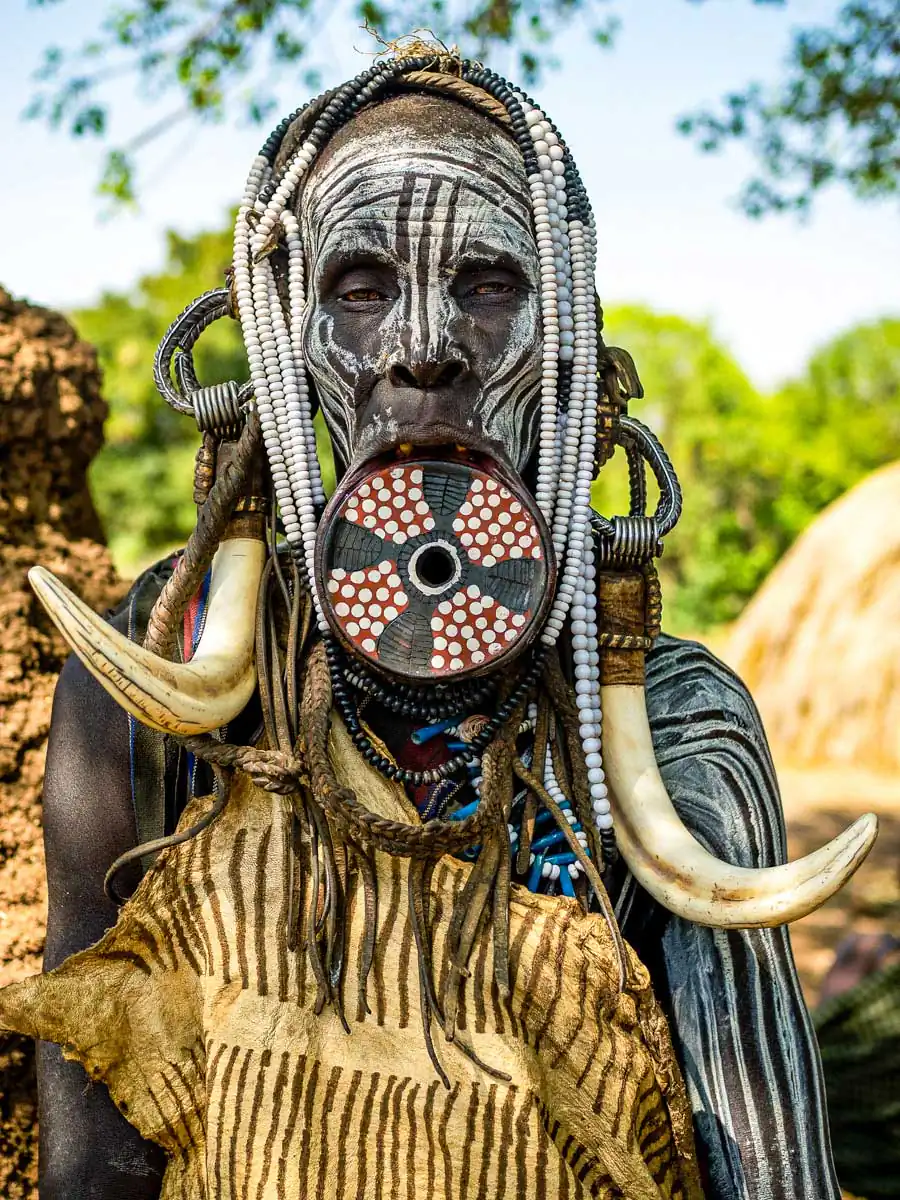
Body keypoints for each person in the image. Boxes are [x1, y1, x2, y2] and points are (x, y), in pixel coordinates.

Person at [2, 44, 876, 1199]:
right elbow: (93, 1176)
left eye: (490, 285)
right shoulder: (151, 680)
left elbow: (771, 1174)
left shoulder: (675, 722)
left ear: (570, 346)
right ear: (283, 347)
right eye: (361, 290)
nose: (425, 345)